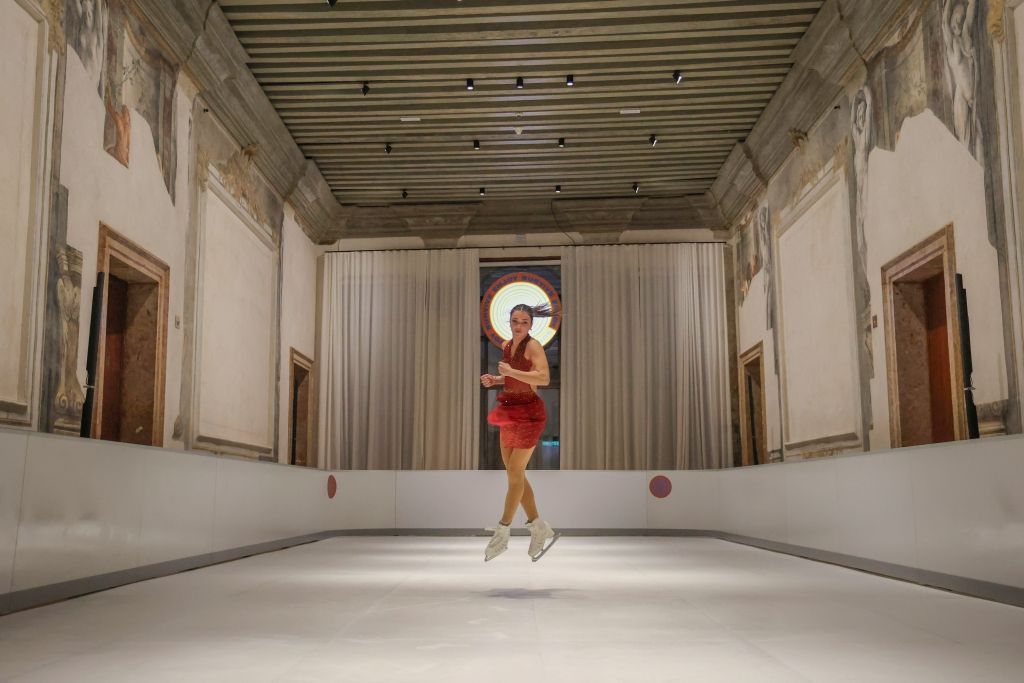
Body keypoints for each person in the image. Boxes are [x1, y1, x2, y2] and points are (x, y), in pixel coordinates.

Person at [480, 303, 557, 561]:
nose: (519, 326)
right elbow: (515, 377)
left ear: (531, 325)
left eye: (524, 322)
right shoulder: (506, 345)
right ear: (509, 322)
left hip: (529, 414)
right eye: (515, 321)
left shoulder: (533, 346)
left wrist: (511, 371)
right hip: (509, 409)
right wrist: (497, 379)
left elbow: (543, 378)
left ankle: (503, 530)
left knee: (515, 471)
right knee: (515, 474)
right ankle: (538, 526)